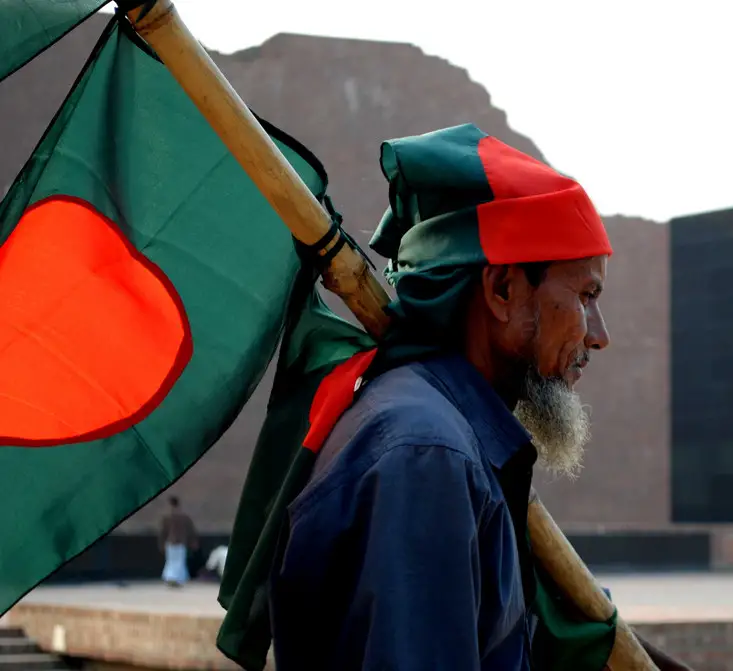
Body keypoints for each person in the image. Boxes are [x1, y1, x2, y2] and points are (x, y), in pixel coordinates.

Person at [268, 124, 690, 670]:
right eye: (586, 295)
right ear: (502, 291)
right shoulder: (427, 457)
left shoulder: (444, 438)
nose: (599, 334)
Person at [158, 496, 197, 588]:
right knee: (179, 561)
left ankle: (171, 578)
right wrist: (193, 541)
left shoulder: (167, 517)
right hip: (180, 542)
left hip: (171, 542)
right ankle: (177, 579)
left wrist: (161, 543)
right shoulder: (184, 517)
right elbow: (191, 531)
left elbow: (163, 532)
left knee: (171, 561)